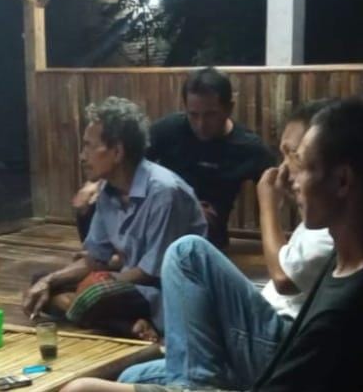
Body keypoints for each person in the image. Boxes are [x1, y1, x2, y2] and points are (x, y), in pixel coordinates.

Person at [61, 97, 363, 392]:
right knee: (131, 374)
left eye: (301, 164)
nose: (288, 178)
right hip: (273, 360)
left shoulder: (342, 314)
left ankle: (191, 385)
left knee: (85, 389)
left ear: (342, 182)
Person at [115, 100, 337, 388]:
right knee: (131, 377)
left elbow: (284, 278)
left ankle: (193, 386)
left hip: (279, 346)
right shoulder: (318, 223)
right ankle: (193, 379)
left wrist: (267, 204)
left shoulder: (333, 228)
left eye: (293, 155)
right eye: (282, 155)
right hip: (261, 336)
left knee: (187, 253)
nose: (283, 168)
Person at [21, 97, 207, 338]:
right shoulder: (108, 191)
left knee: (95, 293)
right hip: (130, 285)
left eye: (89, 146)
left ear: (117, 152)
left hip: (169, 293)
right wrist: (49, 281)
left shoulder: (164, 191)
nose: (82, 156)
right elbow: (96, 258)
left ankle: (98, 313)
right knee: (41, 283)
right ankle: (128, 326)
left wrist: (99, 282)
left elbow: (152, 272)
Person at [147, 67, 274, 249]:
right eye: (193, 115)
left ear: (229, 109)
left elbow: (278, 187)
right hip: (160, 227)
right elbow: (132, 169)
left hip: (210, 238)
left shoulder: (248, 147)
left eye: (210, 115)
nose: (201, 124)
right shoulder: (167, 131)